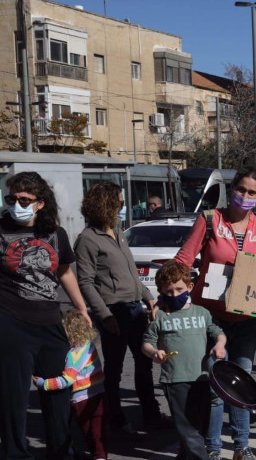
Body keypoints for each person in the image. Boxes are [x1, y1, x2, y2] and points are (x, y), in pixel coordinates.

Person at [174, 167, 256, 460]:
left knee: (242, 385)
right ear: (232, 189)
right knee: (216, 388)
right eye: (241, 189)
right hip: (212, 320)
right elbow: (183, 260)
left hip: (247, 322)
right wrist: (170, 297)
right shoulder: (210, 219)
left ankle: (241, 447)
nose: (245, 196)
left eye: (252, 192)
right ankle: (213, 449)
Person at [0, 171, 92, 460]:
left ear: (40, 203)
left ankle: (61, 452)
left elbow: (64, 272)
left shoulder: (55, 233)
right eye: (11, 199)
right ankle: (15, 453)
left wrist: (81, 308)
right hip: (11, 321)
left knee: (58, 392)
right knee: (13, 396)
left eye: (24, 199)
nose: (17, 204)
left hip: (51, 323)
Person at [75, 181, 166, 434]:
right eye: (119, 202)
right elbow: (85, 282)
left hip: (136, 309)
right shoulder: (87, 239)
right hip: (114, 311)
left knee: (144, 362)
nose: (122, 206)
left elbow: (131, 273)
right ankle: (115, 419)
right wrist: (104, 316)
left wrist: (147, 296)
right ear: (106, 204)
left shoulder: (118, 231)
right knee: (114, 369)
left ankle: (151, 414)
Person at [143, 261, 227, 460]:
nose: (174, 295)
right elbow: (147, 343)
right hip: (175, 379)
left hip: (201, 378)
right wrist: (154, 352)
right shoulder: (160, 316)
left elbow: (218, 333)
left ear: (190, 287)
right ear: (161, 292)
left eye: (179, 290)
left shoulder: (202, 313)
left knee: (199, 427)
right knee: (188, 429)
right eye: (168, 292)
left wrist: (219, 345)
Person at [34, 309, 106, 460]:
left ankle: (98, 456)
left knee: (88, 432)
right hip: (99, 394)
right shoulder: (89, 346)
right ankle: (100, 456)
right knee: (98, 433)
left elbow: (66, 381)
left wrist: (43, 383)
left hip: (81, 399)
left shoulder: (73, 355)